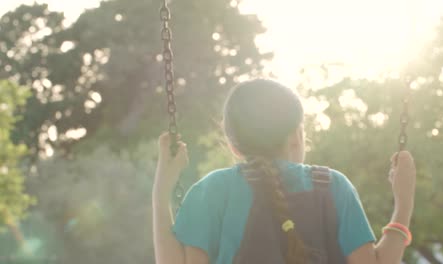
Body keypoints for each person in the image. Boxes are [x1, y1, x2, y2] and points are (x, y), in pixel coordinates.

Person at [153, 79, 416, 264]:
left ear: (234, 145)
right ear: (296, 136)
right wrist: (403, 204)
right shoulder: (333, 186)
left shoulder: (211, 190)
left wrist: (161, 189)